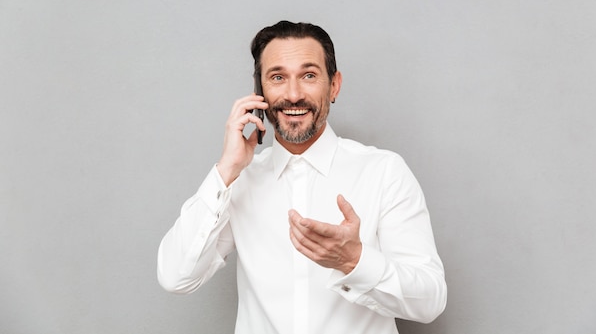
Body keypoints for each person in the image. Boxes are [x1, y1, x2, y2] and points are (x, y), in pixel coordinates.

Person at [157, 21, 447, 334]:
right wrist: (227, 168)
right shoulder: (238, 180)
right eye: (278, 77)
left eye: (309, 75)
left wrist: (355, 261)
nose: (293, 95)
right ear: (260, 91)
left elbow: (429, 301)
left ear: (333, 85)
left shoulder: (384, 171)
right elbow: (176, 277)